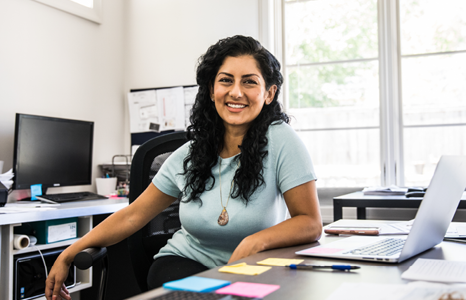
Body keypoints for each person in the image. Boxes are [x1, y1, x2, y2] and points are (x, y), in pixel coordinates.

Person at [45, 35, 322, 300]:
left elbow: (309, 222)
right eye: (226, 80)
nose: (236, 92)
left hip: (255, 266)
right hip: (184, 263)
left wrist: (256, 242)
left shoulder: (282, 141)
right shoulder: (190, 155)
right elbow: (133, 216)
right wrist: (69, 252)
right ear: (212, 90)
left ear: (269, 93)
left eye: (249, 82)